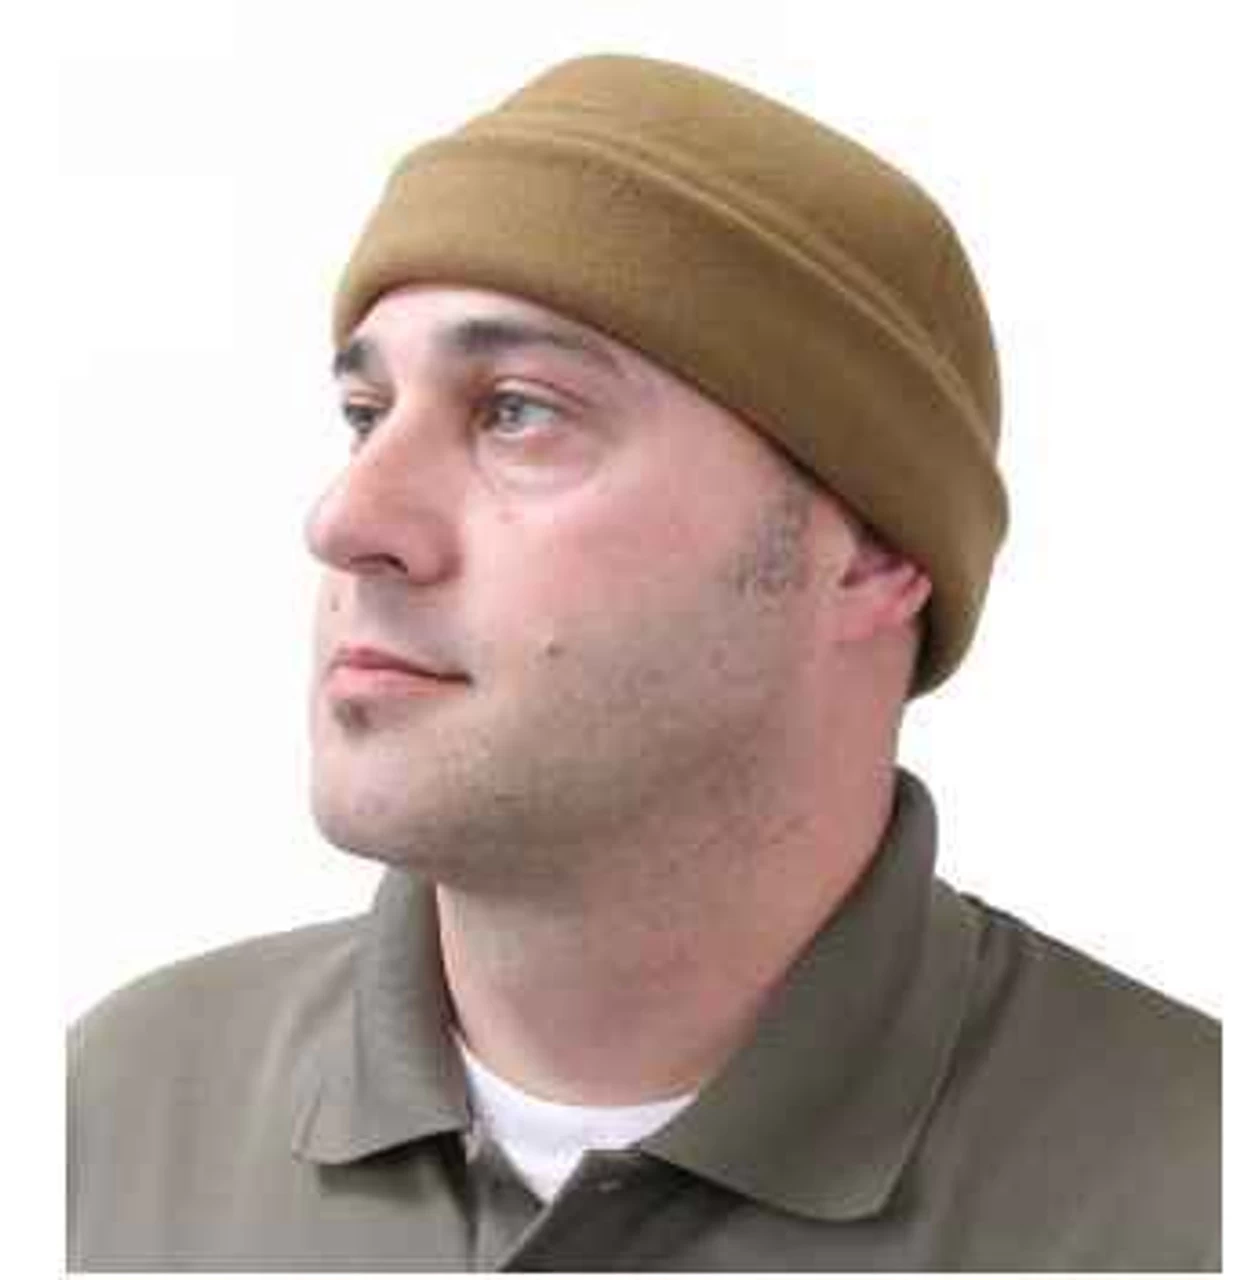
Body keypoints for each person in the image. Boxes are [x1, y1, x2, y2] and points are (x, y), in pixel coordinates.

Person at [67, 53, 1220, 1272]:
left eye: (516, 409)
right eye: (365, 414)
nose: (346, 517)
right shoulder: (114, 1115)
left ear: (871, 553)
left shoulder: (1187, 1192)